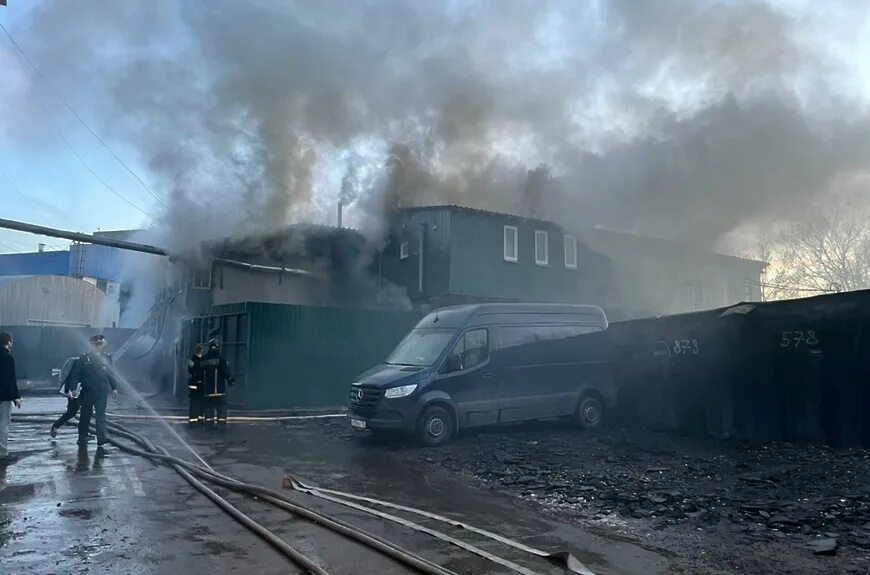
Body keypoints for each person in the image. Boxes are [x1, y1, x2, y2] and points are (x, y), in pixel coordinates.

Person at [70, 334, 118, 449]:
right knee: (85, 415)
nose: (98, 347)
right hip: (87, 391)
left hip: (102, 392)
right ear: (91, 345)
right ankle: (82, 437)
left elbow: (111, 374)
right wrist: (72, 388)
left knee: (101, 416)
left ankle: (101, 439)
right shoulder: (84, 358)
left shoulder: (107, 357)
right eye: (96, 345)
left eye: (100, 344)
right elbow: (76, 374)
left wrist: (114, 388)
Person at [0, 332, 22, 462]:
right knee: (3, 425)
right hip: (3, 397)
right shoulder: (7, 358)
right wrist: (15, 396)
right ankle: (2, 453)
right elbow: (10, 379)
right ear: (8, 342)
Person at [201, 338, 233, 426]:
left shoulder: (204, 360)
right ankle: (221, 426)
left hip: (208, 391)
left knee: (208, 409)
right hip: (220, 390)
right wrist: (230, 379)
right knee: (221, 408)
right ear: (218, 347)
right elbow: (226, 371)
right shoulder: (221, 359)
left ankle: (209, 425)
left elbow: (199, 373)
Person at [50, 356, 81, 438]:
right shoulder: (80, 363)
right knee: (73, 411)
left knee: (77, 411)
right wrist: (68, 391)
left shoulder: (83, 362)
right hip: (75, 391)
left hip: (79, 390)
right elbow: (70, 377)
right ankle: (55, 426)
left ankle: (56, 426)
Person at [187, 344, 205, 425]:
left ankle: (193, 419)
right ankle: (200, 418)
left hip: (193, 384)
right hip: (201, 384)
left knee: (194, 402)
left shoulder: (191, 360)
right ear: (201, 351)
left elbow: (189, 370)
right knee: (201, 401)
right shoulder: (203, 360)